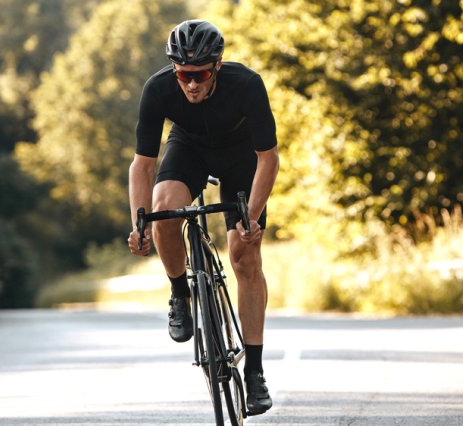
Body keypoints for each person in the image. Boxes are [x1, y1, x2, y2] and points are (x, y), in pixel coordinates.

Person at [127, 20, 278, 415]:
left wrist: (251, 218)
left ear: (217, 66)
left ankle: (255, 373)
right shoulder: (158, 89)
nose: (191, 84)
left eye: (200, 75)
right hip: (189, 149)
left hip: (241, 157)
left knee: (245, 256)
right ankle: (180, 293)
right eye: (183, 75)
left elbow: (268, 159)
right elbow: (142, 167)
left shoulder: (246, 84)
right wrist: (139, 223)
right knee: (164, 210)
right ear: (174, 71)